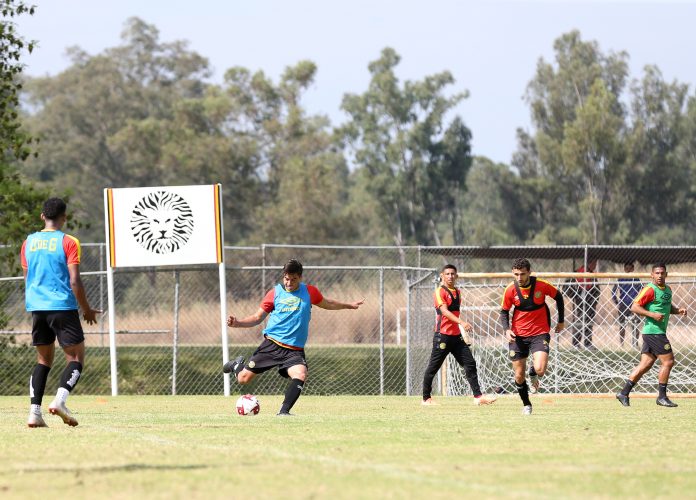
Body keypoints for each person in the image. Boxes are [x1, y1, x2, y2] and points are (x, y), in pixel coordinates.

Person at [222, 259, 364, 416]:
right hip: (272, 345)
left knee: (301, 374)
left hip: (294, 350)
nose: (289, 283)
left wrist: (349, 305)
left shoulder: (309, 292)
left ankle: (283, 412)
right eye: (286, 278)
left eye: (293, 279)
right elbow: (257, 317)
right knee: (243, 379)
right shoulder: (274, 293)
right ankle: (236, 365)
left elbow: (328, 303)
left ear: (300, 277)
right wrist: (237, 323)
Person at [21, 198, 100, 428]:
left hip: (37, 307)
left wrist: (36, 300)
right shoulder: (69, 242)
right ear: (64, 217)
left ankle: (34, 413)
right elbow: (74, 280)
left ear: (41, 216)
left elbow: (28, 278)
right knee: (75, 358)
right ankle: (60, 401)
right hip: (62, 307)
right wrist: (86, 309)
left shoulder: (28, 242)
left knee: (43, 360)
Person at [421, 264, 497, 407]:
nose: (450, 276)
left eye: (452, 274)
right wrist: (462, 322)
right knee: (433, 368)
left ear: (456, 276)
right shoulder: (439, 292)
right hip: (442, 336)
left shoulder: (458, 292)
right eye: (447, 274)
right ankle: (426, 398)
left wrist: (461, 330)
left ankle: (478, 397)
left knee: (470, 363)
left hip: (456, 337)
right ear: (442, 276)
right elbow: (444, 312)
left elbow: (454, 314)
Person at [616, 262, 687, 408]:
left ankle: (624, 392)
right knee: (668, 362)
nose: (660, 276)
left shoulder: (668, 289)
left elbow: (667, 307)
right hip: (654, 332)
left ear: (666, 274)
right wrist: (652, 315)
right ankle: (662, 397)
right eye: (657, 273)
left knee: (645, 365)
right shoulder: (649, 289)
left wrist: (678, 310)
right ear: (652, 275)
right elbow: (634, 307)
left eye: (662, 273)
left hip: (655, 333)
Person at [500, 258, 565, 415]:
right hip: (518, 336)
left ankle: (533, 373)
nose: (519, 278)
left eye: (522, 274)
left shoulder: (541, 285)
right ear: (512, 273)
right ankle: (527, 404)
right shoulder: (510, 289)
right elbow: (503, 311)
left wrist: (561, 321)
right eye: (516, 274)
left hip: (539, 333)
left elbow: (559, 297)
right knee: (518, 375)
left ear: (529, 272)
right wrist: (506, 330)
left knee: (540, 369)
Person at [571, 258, 600, 350]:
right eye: (594, 263)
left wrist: (595, 300)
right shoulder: (579, 272)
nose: (595, 266)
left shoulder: (592, 273)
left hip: (590, 302)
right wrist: (577, 295)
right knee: (580, 321)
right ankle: (575, 344)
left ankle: (588, 344)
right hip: (580, 301)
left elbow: (596, 289)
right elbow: (569, 287)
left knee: (589, 322)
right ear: (589, 263)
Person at [611, 262, 642, 348]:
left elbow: (643, 290)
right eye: (626, 269)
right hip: (623, 305)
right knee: (622, 325)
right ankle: (621, 344)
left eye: (630, 269)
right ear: (624, 269)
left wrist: (640, 302)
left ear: (633, 269)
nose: (628, 270)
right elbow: (613, 292)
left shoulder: (636, 279)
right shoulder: (621, 279)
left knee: (635, 324)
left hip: (634, 305)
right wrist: (617, 302)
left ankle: (635, 344)